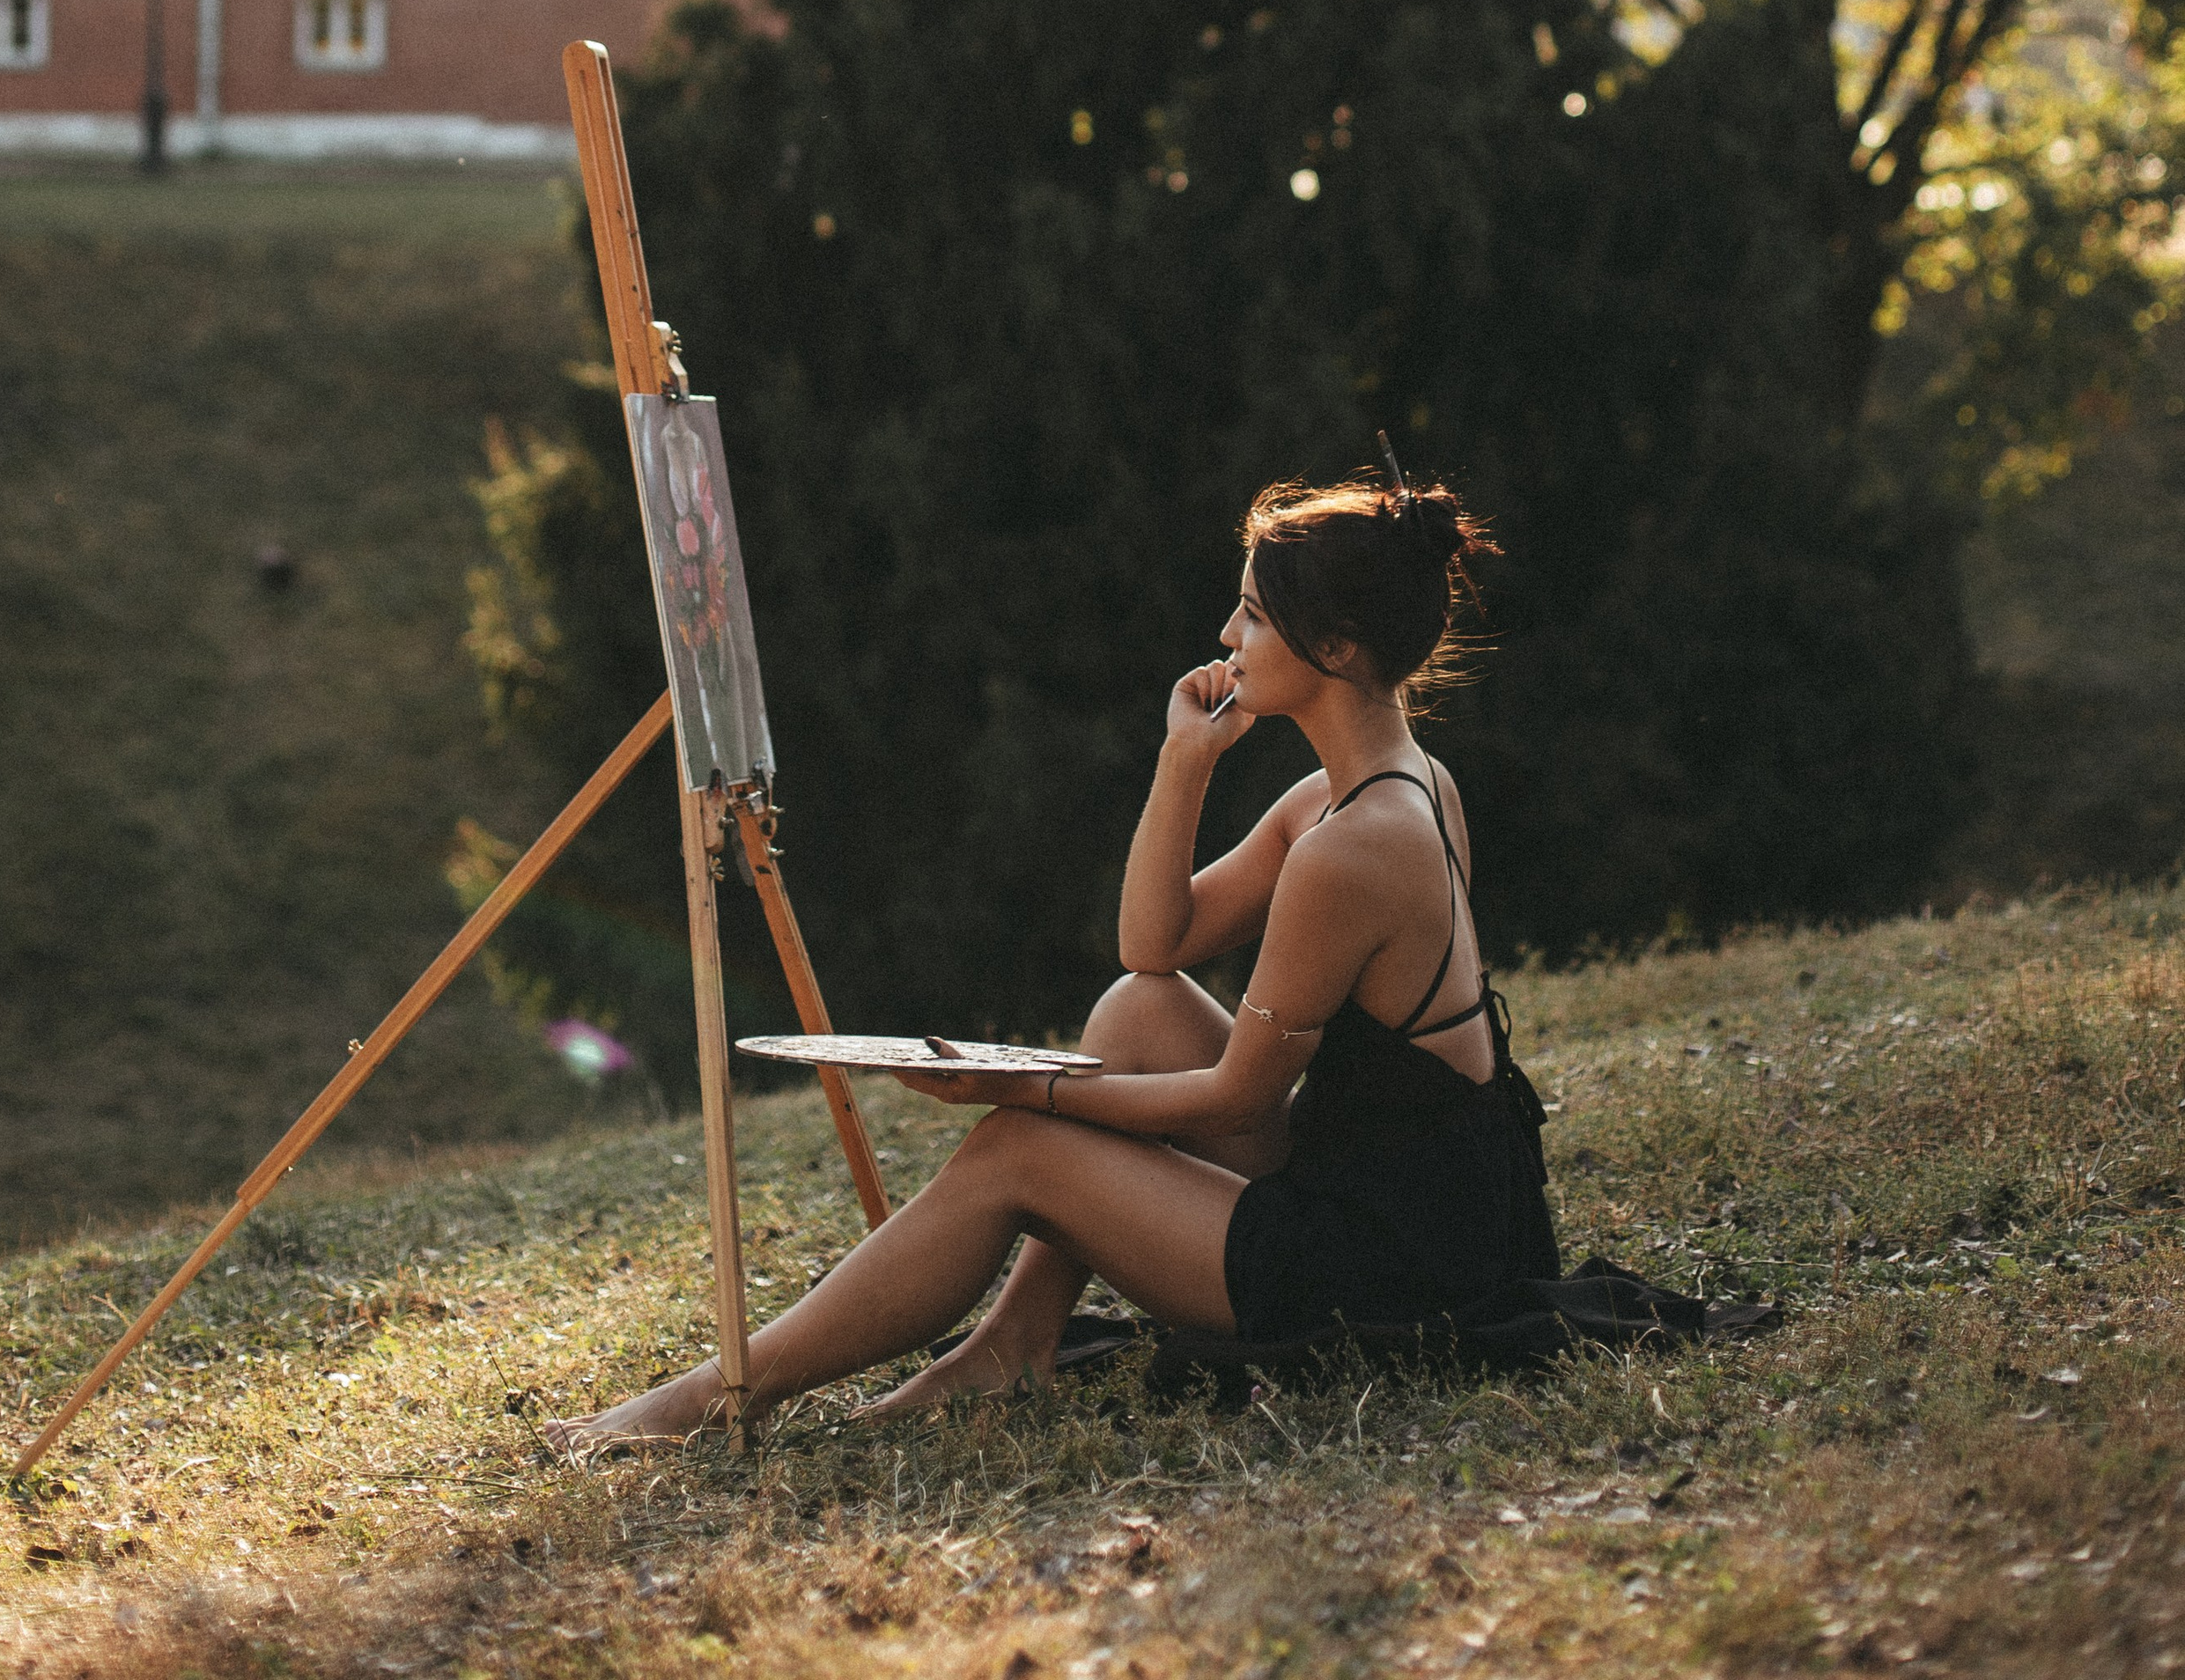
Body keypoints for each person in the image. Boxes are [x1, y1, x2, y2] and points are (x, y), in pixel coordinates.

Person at [548, 466, 1556, 1449]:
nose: (1225, 637)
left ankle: (720, 1395)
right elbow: (1152, 946)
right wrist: (1183, 761)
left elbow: (1237, 1102)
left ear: (1334, 645)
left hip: (1397, 1268)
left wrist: (1027, 1094)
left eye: (1250, 615)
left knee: (1019, 1152)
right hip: (1404, 1194)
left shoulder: (1356, 847)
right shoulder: (1387, 783)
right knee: (1135, 1008)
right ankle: (1016, 1343)